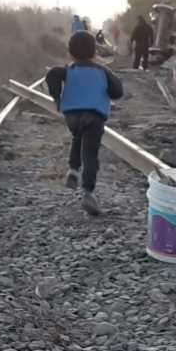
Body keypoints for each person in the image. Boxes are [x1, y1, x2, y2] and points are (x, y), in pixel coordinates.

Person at [45, 31, 124, 215]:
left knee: (78, 136)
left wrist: (57, 98)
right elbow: (117, 92)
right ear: (95, 52)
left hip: (72, 116)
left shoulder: (68, 70)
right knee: (90, 153)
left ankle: (73, 170)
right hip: (94, 115)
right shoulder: (102, 71)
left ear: (70, 53)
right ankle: (88, 192)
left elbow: (52, 75)